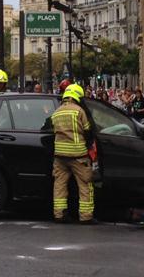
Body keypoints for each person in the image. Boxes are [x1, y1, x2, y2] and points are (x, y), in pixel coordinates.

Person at [50, 84, 96, 224]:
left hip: (60, 156)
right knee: (85, 185)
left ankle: (59, 214)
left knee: (59, 185)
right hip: (78, 155)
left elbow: (52, 131)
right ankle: (85, 216)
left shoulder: (56, 112)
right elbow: (88, 131)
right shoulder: (79, 111)